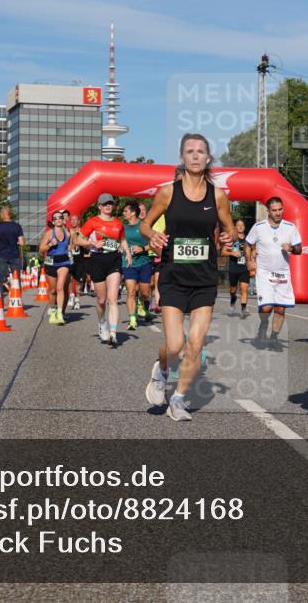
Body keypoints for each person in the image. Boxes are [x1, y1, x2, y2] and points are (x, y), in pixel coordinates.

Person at [141, 133, 236, 421]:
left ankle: (178, 399)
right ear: (182, 158)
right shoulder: (168, 192)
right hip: (173, 276)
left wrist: (229, 237)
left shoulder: (217, 195)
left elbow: (229, 229)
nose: (195, 155)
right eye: (190, 151)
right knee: (175, 346)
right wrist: (152, 234)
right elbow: (145, 225)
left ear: (208, 158)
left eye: (200, 151)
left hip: (204, 278)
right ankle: (161, 370)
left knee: (195, 343)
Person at [75, 194, 132, 346]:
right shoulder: (93, 221)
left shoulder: (118, 223)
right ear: (99, 206)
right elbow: (77, 239)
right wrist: (92, 243)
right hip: (97, 260)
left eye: (110, 203)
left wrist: (127, 253)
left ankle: (113, 333)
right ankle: (102, 323)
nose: (108, 206)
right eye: (105, 204)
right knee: (101, 300)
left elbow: (122, 240)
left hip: (114, 260)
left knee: (113, 299)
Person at [246, 198, 302, 349]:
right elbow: (248, 243)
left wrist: (291, 248)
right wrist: (249, 261)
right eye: (274, 210)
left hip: (283, 273)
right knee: (266, 308)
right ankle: (264, 323)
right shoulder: (259, 227)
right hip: (264, 273)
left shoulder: (290, 227)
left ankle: (274, 338)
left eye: (280, 209)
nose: (278, 213)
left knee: (280, 308)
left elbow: (299, 249)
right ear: (268, 211)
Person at [121, 201, 154, 330]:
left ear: (133, 213)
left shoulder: (143, 226)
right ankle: (132, 319)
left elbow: (153, 243)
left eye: (126, 211)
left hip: (144, 261)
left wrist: (142, 248)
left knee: (145, 292)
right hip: (128, 263)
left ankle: (141, 301)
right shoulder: (123, 227)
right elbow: (119, 242)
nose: (123, 213)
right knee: (131, 291)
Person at [39, 211, 73, 324]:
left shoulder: (68, 233)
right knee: (53, 290)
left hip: (64, 261)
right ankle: (53, 310)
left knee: (60, 287)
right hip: (51, 262)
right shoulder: (49, 233)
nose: (58, 219)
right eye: (56, 218)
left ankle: (60, 313)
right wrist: (50, 244)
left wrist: (71, 247)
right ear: (53, 222)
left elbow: (72, 244)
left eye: (60, 217)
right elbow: (41, 249)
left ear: (63, 220)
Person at [0, 206, 25, 299]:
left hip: (1, 255)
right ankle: (17, 301)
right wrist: (15, 242)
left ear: (3, 214)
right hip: (14, 255)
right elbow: (22, 243)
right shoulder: (17, 226)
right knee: (16, 279)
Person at [222, 219, 251, 318]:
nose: (240, 226)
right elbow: (223, 252)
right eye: (238, 225)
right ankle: (233, 298)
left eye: (242, 225)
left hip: (244, 268)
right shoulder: (232, 239)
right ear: (235, 228)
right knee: (233, 290)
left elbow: (253, 250)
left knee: (244, 289)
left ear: (244, 227)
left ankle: (243, 309)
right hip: (234, 268)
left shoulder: (248, 240)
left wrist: (253, 257)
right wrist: (232, 253)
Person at [67, 213, 84, 311]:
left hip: (80, 258)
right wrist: (68, 246)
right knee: (69, 278)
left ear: (79, 221)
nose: (73, 222)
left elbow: (86, 242)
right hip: (69, 257)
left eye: (75, 220)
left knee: (78, 280)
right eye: (72, 220)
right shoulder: (67, 231)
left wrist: (80, 243)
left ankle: (77, 299)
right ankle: (71, 296)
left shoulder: (82, 231)